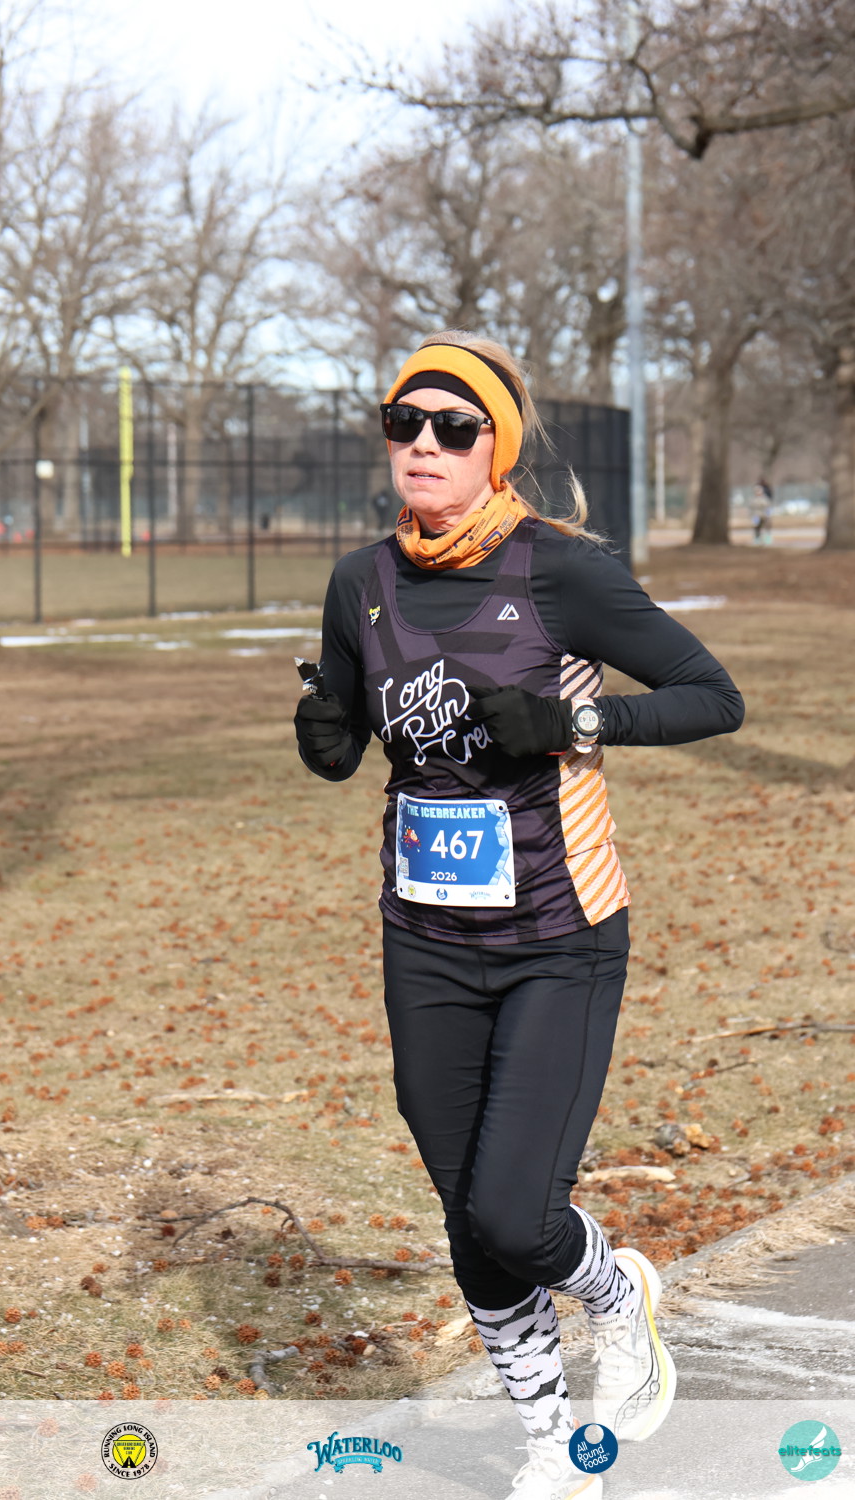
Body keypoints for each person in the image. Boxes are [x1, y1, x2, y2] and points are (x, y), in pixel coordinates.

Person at [294, 331, 744, 1500]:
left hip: (558, 937)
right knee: (469, 1220)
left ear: (494, 448)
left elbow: (712, 698)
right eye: (403, 424)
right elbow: (346, 733)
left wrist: (578, 724)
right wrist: (323, 737)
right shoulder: (362, 582)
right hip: (423, 943)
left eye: (453, 427)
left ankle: (615, 1292)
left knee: (515, 1211)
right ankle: (551, 1445)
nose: (423, 445)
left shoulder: (561, 571)